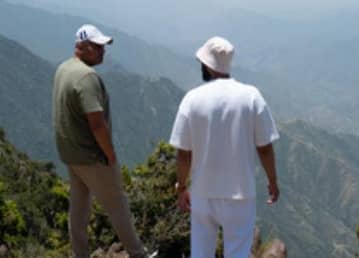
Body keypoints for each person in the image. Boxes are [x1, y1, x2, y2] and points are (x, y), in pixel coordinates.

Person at [169, 36, 280, 258]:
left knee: (201, 253)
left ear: (208, 66)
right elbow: (264, 148)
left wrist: (181, 186)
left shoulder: (192, 99)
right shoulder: (251, 97)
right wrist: (272, 181)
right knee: (237, 253)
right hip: (240, 194)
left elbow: (183, 153)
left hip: (202, 192)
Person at [53, 24, 146, 258]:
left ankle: (80, 254)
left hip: (71, 154)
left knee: (79, 208)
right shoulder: (87, 77)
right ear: (82, 47)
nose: (103, 51)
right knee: (118, 205)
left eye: (103, 47)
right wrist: (110, 154)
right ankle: (138, 253)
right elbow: (96, 123)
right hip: (92, 156)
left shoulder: (64, 69)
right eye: (97, 47)